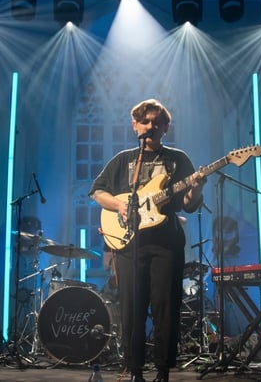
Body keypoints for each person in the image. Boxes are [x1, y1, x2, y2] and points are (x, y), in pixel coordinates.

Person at [90, 99, 206, 382]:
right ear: (135, 126)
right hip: (129, 245)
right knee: (132, 309)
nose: (150, 126)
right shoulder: (122, 160)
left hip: (166, 244)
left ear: (166, 127)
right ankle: (136, 371)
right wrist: (119, 207)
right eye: (145, 121)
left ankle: (163, 371)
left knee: (166, 308)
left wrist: (197, 187)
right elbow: (97, 191)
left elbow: (188, 205)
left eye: (156, 122)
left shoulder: (178, 159)